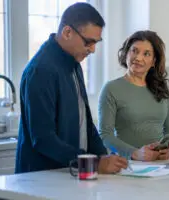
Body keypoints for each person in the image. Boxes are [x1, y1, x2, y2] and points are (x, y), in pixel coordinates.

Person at [15, 2, 128, 174]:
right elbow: (44, 139)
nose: (93, 49)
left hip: (68, 174)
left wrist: (104, 158)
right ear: (67, 32)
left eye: (96, 43)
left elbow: (86, 124)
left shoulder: (74, 63)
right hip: (41, 179)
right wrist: (95, 163)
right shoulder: (41, 70)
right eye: (88, 42)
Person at [98, 30, 169, 161]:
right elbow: (105, 135)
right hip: (127, 165)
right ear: (126, 53)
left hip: (158, 165)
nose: (138, 58)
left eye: (146, 54)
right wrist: (134, 153)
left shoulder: (162, 90)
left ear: (154, 61)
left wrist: (165, 147)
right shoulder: (111, 89)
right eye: (134, 51)